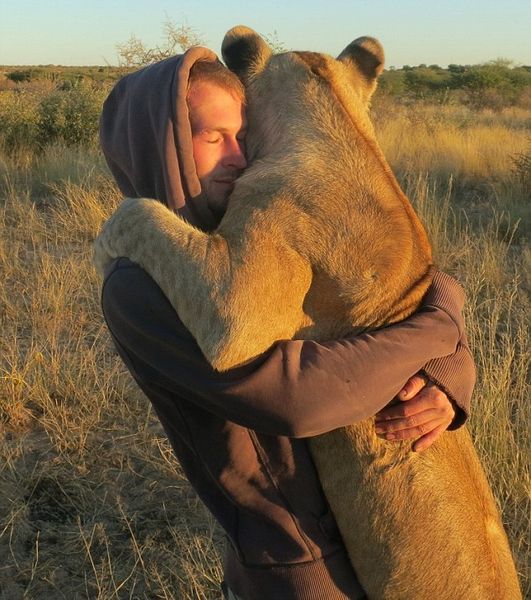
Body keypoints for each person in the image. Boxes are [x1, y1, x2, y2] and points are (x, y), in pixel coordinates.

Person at [98, 46, 476, 600]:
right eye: (211, 137)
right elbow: (298, 401)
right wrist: (440, 328)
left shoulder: (240, 236)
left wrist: (448, 374)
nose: (239, 157)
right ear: (160, 144)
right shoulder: (138, 285)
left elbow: (385, 296)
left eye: (242, 135)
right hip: (298, 564)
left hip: (369, 534)